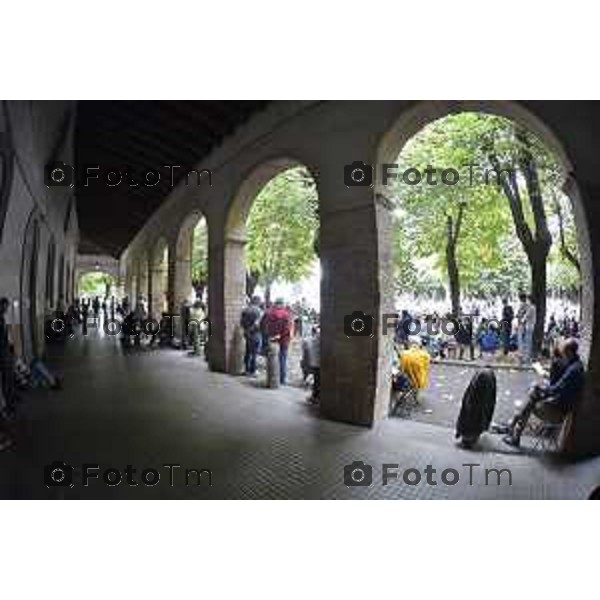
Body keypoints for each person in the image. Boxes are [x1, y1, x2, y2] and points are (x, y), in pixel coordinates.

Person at [503, 338, 584, 447]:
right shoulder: (575, 365)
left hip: (560, 409)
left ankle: (514, 430)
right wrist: (542, 389)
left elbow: (556, 388)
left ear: (569, 352)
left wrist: (541, 389)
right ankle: (514, 429)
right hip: (561, 402)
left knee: (532, 398)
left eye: (564, 353)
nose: (563, 356)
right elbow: (559, 386)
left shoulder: (573, 370)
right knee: (533, 394)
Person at [455, 367, 497, 448]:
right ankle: (470, 434)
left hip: (482, 380)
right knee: (480, 406)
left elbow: (466, 405)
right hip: (485, 380)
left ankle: (469, 435)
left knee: (474, 405)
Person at [264, 298, 292, 385]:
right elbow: (287, 328)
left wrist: (269, 335)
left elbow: (264, 325)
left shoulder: (269, 313)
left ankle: (272, 378)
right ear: (282, 304)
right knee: (282, 358)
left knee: (272, 357)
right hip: (284, 340)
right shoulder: (286, 314)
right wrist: (281, 335)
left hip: (272, 339)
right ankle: (282, 379)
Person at [240, 296, 262, 376]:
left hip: (246, 334)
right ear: (258, 302)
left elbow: (241, 323)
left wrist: (246, 330)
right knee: (255, 353)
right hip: (255, 334)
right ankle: (253, 370)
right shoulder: (258, 311)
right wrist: (251, 329)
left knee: (248, 352)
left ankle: (246, 369)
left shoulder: (245, 310)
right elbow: (258, 324)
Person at [302, 325, 320, 403]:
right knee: (317, 380)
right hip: (317, 363)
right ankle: (315, 396)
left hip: (315, 363)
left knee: (317, 380)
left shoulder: (313, 338)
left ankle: (315, 396)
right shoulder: (318, 336)